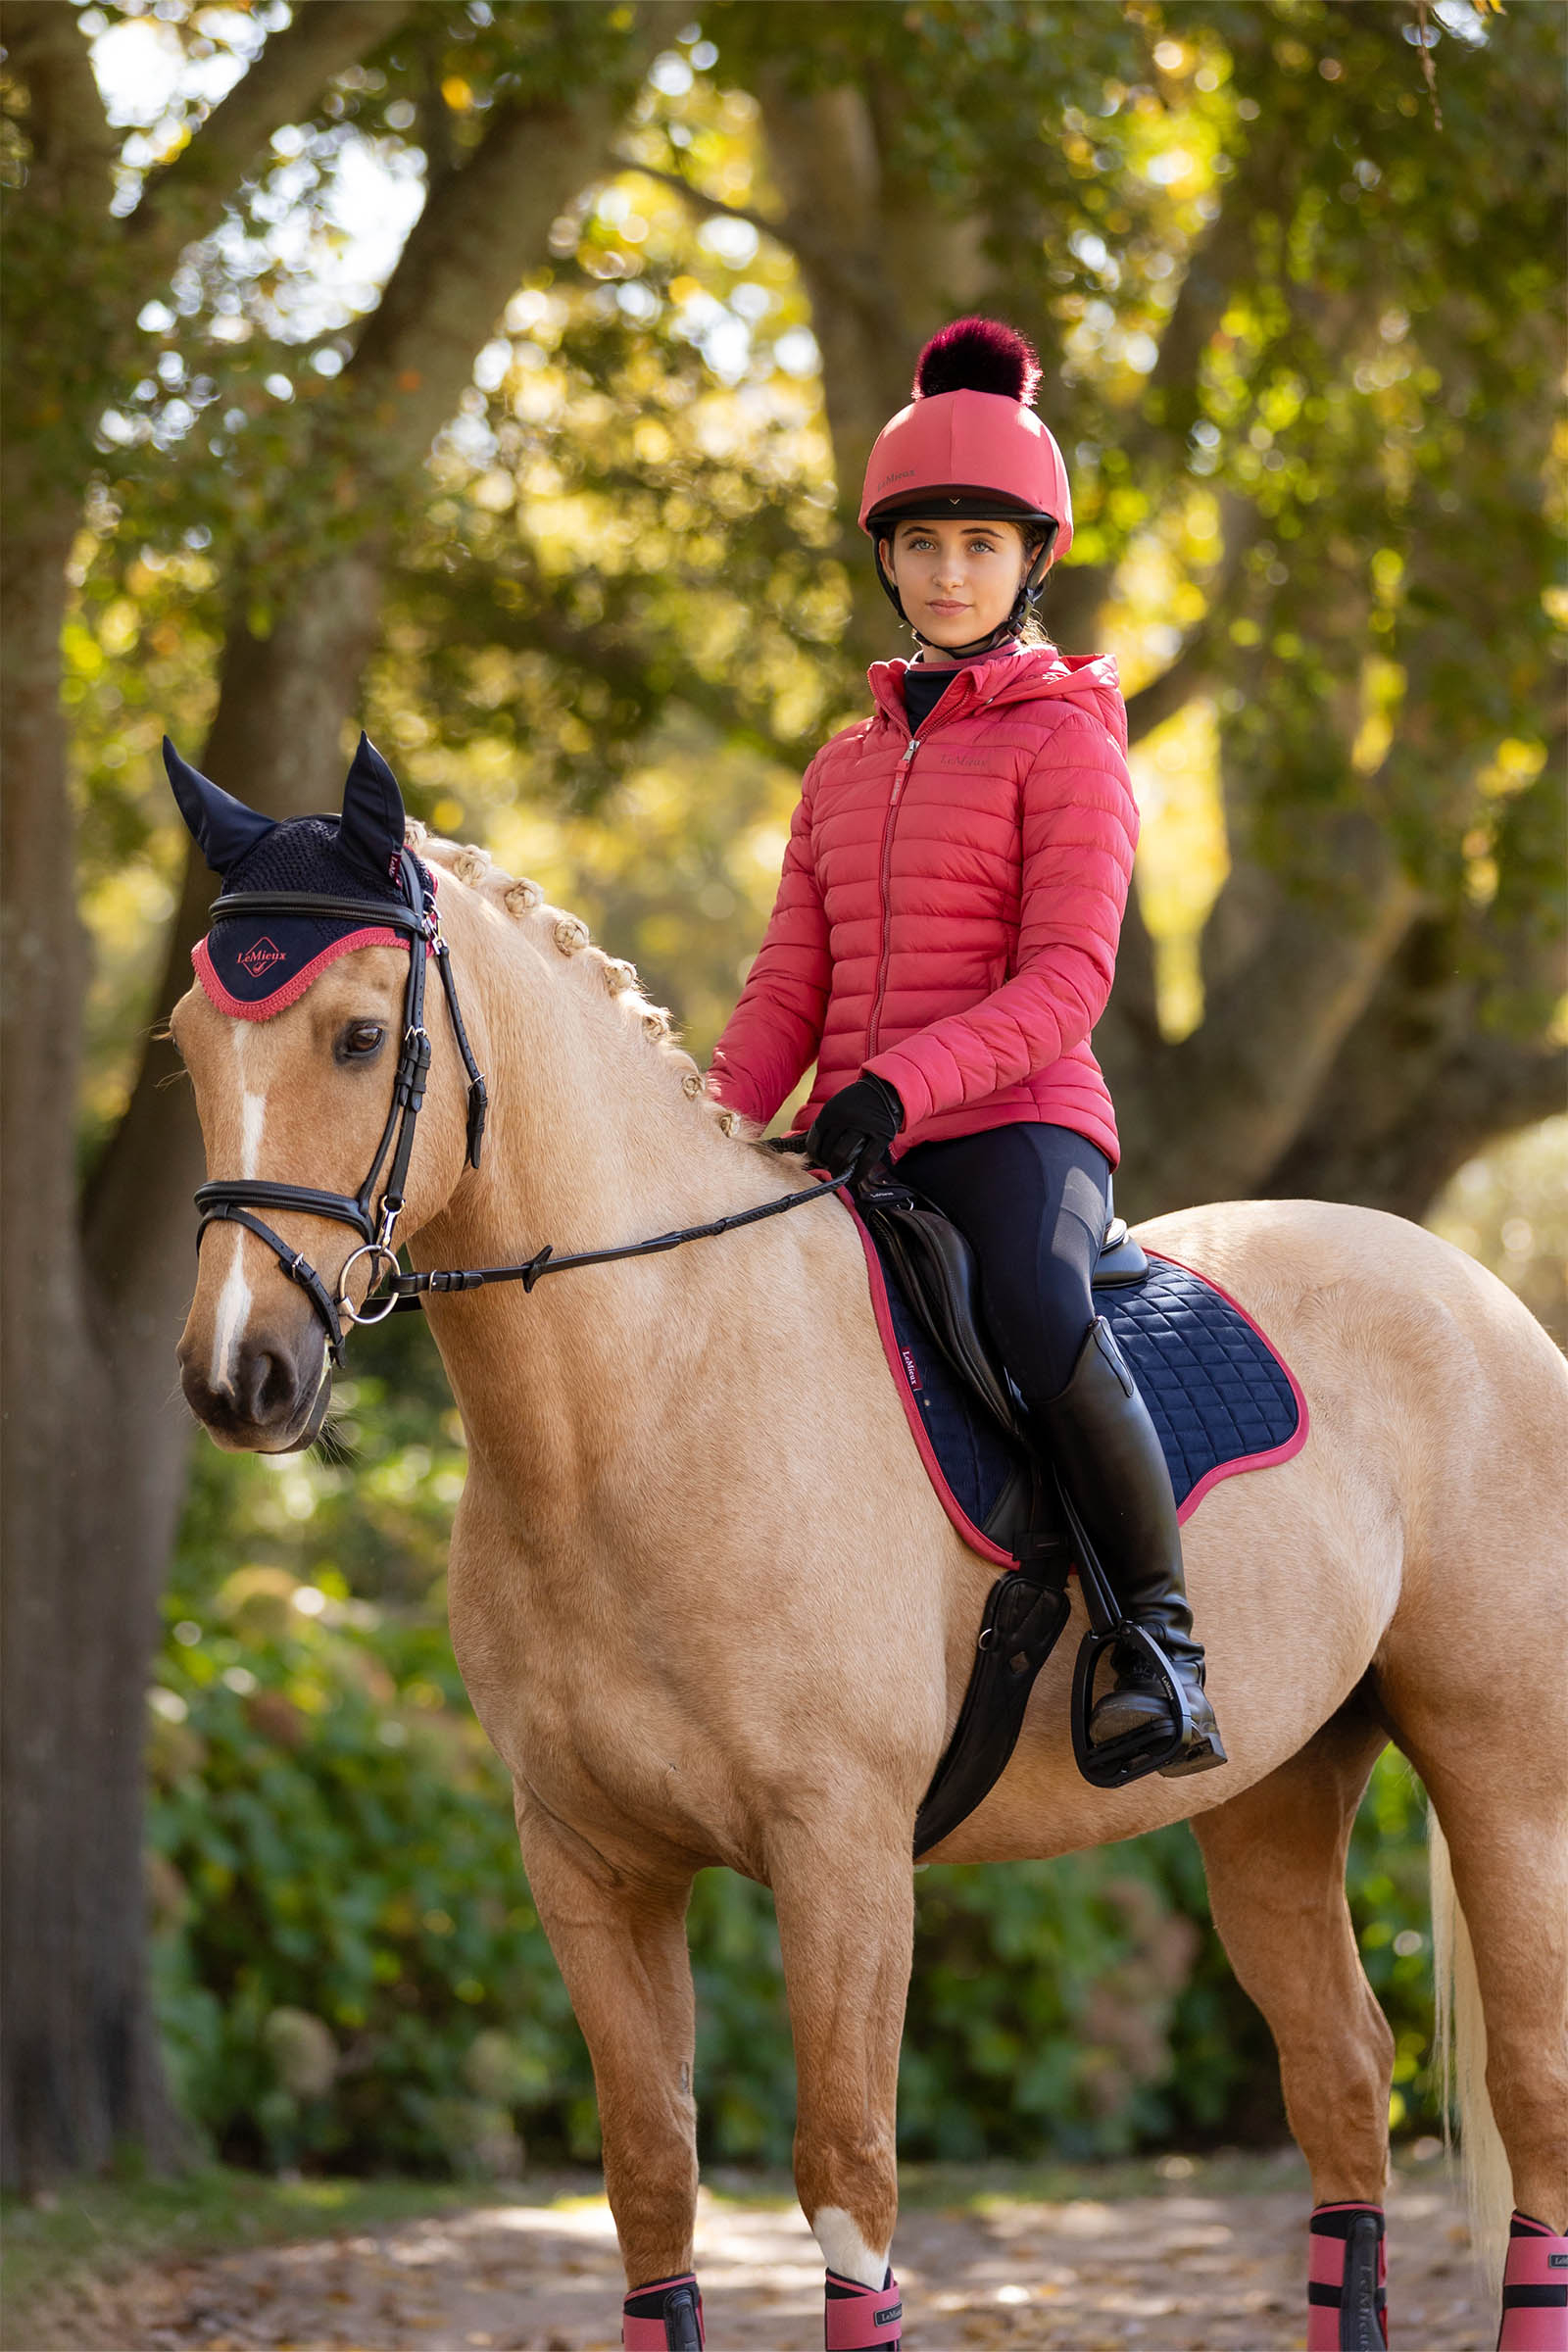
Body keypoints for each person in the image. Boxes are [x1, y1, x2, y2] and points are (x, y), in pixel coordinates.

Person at [706, 316, 1224, 1778]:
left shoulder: (1069, 741)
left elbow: (1069, 978)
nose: (948, 570)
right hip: (856, 1136)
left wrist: (897, 1084)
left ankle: (1159, 1645)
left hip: (1017, 1123)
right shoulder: (842, 766)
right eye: (923, 541)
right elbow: (782, 990)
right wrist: (708, 1121)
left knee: (1039, 1317)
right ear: (887, 557)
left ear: (1029, 562)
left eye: (979, 544)